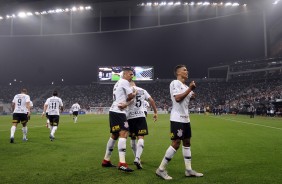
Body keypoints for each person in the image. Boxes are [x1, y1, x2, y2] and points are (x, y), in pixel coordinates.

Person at [156, 65, 203, 180]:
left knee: (187, 142)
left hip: (186, 119)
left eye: (187, 69)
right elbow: (177, 98)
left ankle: (188, 170)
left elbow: (190, 97)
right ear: (178, 72)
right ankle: (161, 169)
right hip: (177, 118)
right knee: (176, 143)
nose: (187, 71)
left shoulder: (185, 86)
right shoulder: (174, 83)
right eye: (184, 70)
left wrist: (192, 93)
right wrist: (190, 89)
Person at [101, 68, 137, 172]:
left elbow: (124, 97)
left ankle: (106, 160)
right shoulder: (125, 82)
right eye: (130, 74)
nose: (132, 76)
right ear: (125, 74)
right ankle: (122, 163)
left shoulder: (117, 83)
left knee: (114, 135)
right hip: (119, 111)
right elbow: (130, 96)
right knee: (124, 133)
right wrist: (134, 92)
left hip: (114, 110)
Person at [128, 82, 158, 169]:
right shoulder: (143, 90)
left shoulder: (127, 90)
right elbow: (151, 100)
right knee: (140, 137)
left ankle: (137, 158)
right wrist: (155, 112)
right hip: (140, 115)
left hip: (130, 116)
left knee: (133, 138)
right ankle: (137, 158)